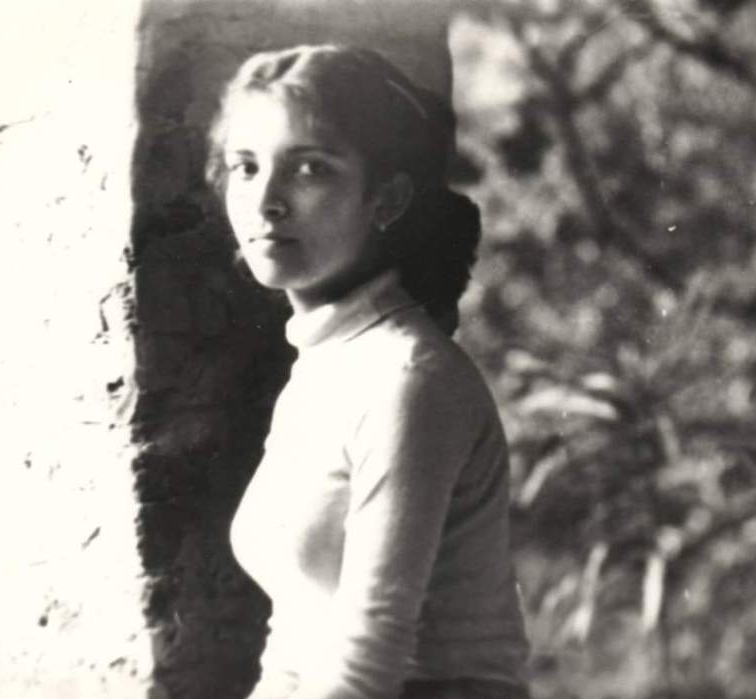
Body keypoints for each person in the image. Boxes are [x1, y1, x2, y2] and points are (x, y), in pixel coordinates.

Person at [210, 45, 530, 699]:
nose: (265, 201)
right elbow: (297, 636)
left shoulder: (409, 378)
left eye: (309, 169)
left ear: (386, 198)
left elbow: (367, 663)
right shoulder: (325, 365)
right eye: (245, 167)